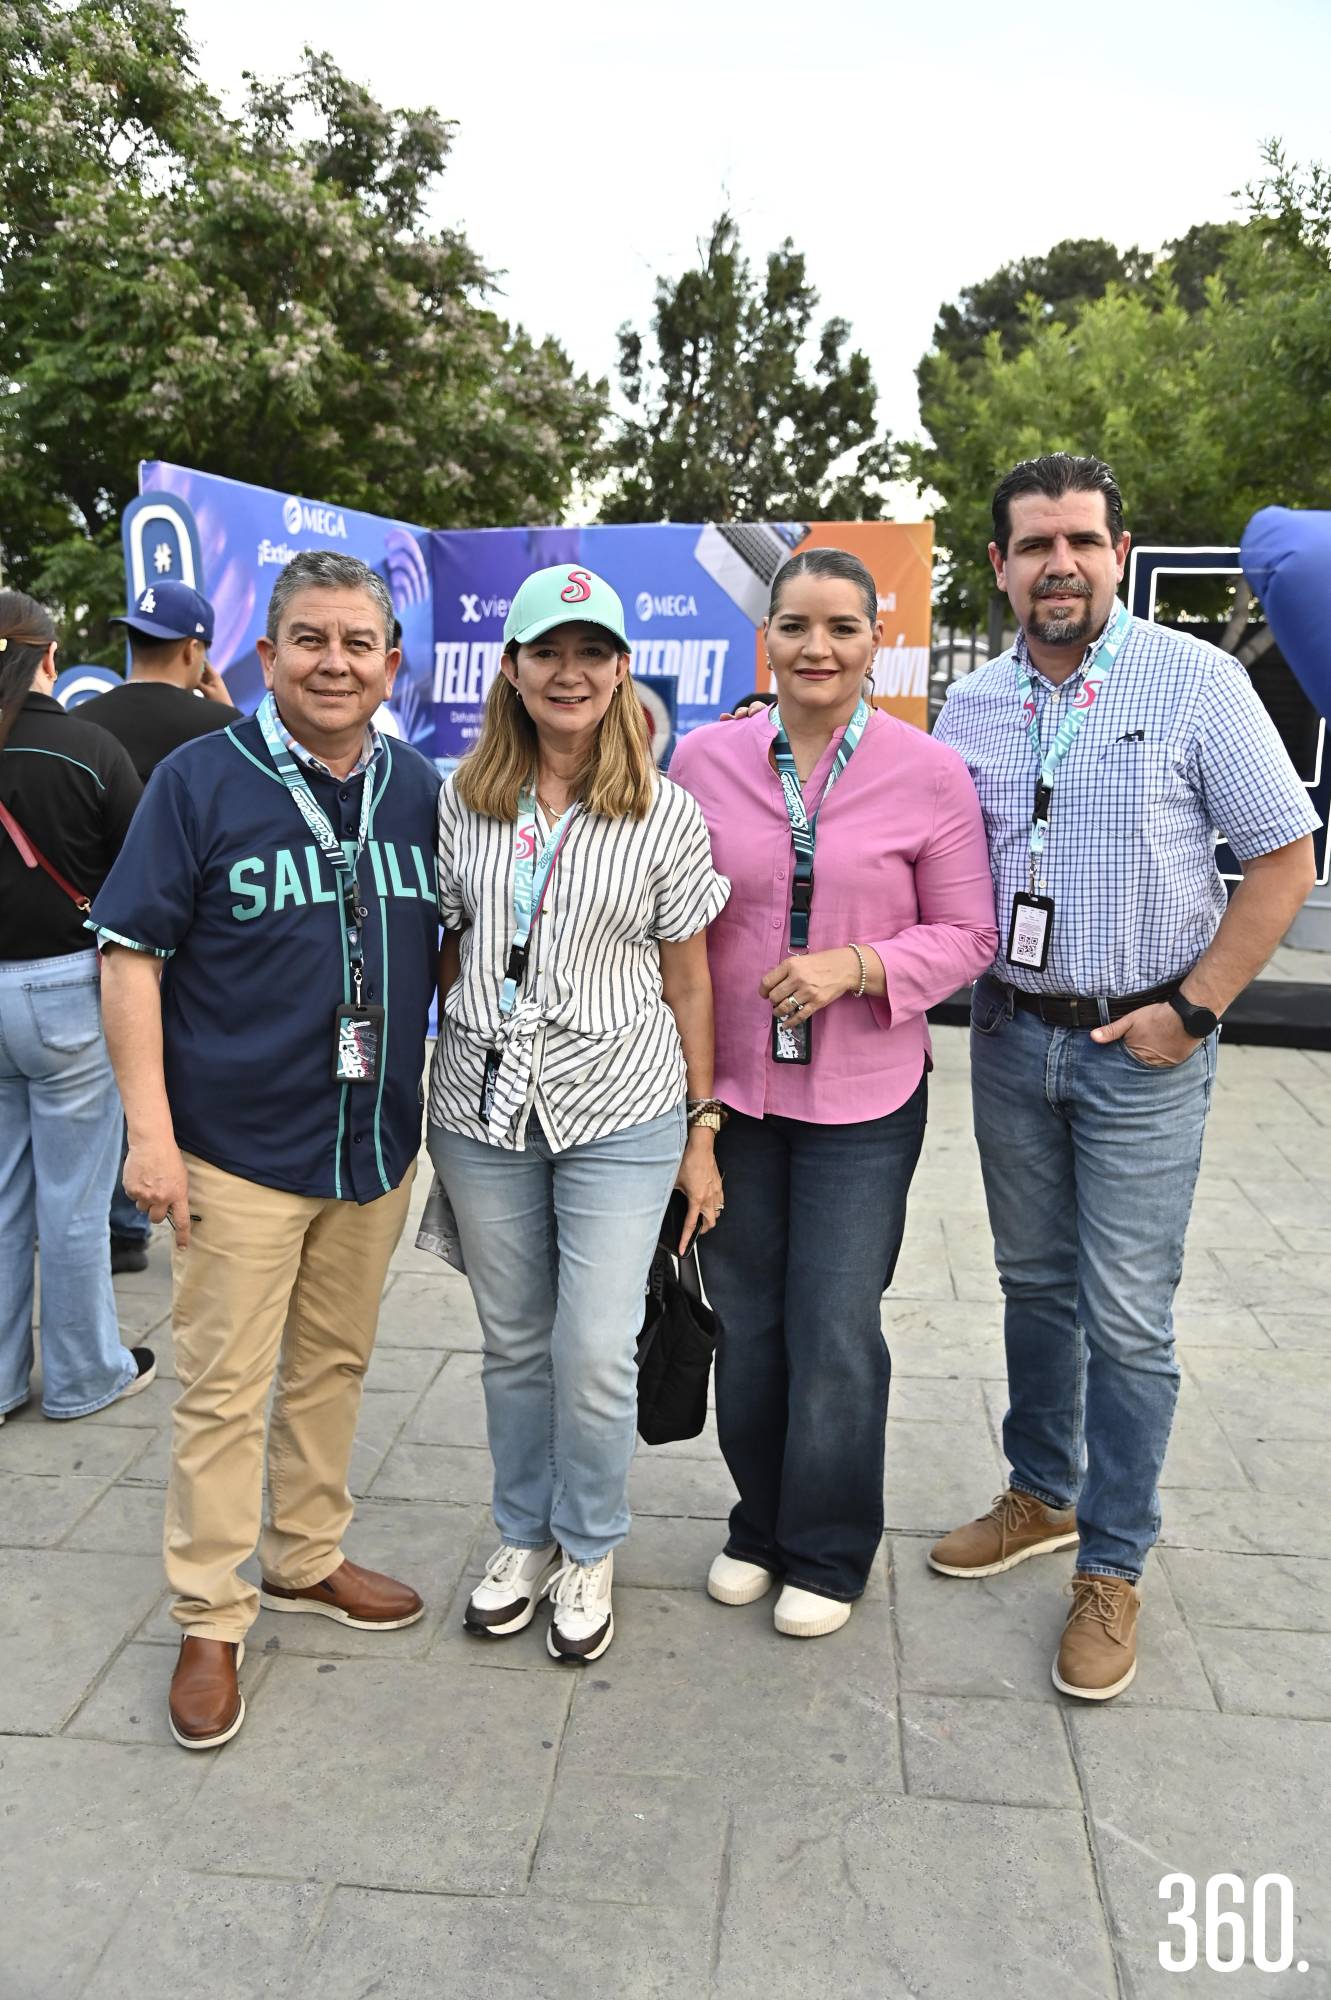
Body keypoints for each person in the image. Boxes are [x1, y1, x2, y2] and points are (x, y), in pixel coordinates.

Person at [930, 452, 1319, 1701]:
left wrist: (1192, 1012)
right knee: (1031, 1285)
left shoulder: (1196, 680)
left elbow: (1280, 860)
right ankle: (1040, 1491)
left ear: (1117, 550)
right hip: (1006, 1037)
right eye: (1034, 544)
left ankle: (1112, 1558)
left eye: (1081, 542)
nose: (1059, 564)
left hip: (1139, 1049)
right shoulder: (971, 708)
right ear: (997, 566)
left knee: (1128, 1314)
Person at [91, 550, 441, 1751]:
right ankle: (209, 1610)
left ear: (392, 662)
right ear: (263, 657)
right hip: (235, 1146)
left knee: (334, 1363)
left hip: (369, 1144)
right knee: (225, 1387)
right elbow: (128, 953)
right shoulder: (198, 779)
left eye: (358, 641)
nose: (335, 661)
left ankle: (305, 1552)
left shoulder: (416, 788)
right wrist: (150, 1136)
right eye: (311, 639)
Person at [669, 548, 998, 1638]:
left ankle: (827, 1544)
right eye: (796, 625)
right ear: (765, 637)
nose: (817, 647)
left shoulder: (926, 771)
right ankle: (757, 1524)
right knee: (749, 1324)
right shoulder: (703, 761)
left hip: (861, 1100)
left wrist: (853, 966)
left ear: (874, 641)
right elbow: (672, 926)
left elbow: (966, 936)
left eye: (841, 628)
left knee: (835, 1326)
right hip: (733, 1098)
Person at [425, 563, 728, 1664]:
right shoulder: (457, 801)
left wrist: (703, 1126)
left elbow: (689, 978)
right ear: (511, 667)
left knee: (594, 1345)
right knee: (513, 1341)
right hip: (480, 1106)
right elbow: (448, 944)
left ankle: (589, 1539)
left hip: (620, 1106)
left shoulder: (664, 809)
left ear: (618, 671)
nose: (568, 671)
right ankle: (521, 1534)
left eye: (590, 651)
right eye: (546, 650)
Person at [0, 590, 156, 1425]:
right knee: (75, 1196)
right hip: (68, 992)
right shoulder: (91, 748)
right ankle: (82, 1374)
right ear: (49, 657)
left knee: (2, 1196)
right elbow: (140, 877)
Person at [80, 580, 238, 1274]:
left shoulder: (87, 719)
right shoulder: (222, 735)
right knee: (166, 1068)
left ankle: (114, 1218)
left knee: (114, 1076)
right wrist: (227, 705)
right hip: (196, 941)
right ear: (195, 651)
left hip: (94, 931)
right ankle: (140, 1212)